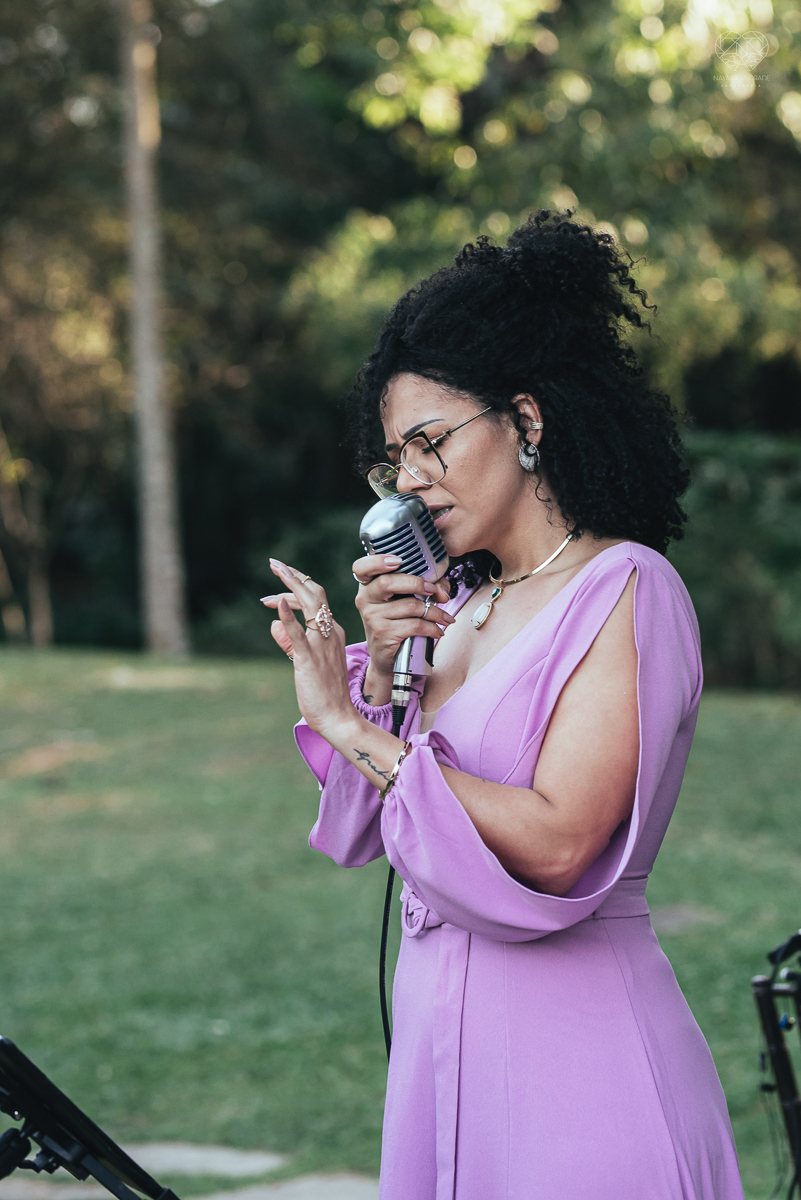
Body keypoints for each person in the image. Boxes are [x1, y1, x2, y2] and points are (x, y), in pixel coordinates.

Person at [260, 211, 744, 1200]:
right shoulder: (463, 607)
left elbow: (566, 841)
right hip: (442, 1049)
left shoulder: (627, 588)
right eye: (395, 459)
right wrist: (385, 669)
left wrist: (354, 731)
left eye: (431, 442)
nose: (413, 481)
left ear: (526, 423)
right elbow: (370, 837)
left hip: (581, 1064)